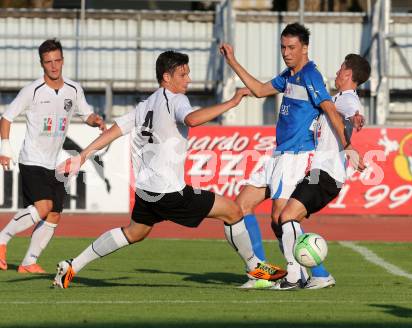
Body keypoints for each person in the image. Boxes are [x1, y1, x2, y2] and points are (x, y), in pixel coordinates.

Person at [53, 50, 287, 289]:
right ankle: (255, 269)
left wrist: (82, 156)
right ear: (166, 77)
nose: (188, 79)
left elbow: (113, 131)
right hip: (169, 192)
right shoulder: (175, 99)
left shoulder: (144, 105)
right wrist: (232, 102)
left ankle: (73, 265)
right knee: (234, 212)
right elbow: (192, 120)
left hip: (146, 191)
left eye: (188, 73)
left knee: (134, 233)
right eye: (182, 74)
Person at [220, 23, 364, 289]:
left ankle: (300, 274)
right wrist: (233, 62)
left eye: (291, 48)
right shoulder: (289, 75)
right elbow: (261, 90)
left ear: (304, 48)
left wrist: (348, 144)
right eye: (283, 47)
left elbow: (332, 110)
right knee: (239, 208)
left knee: (281, 218)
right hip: (277, 154)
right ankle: (265, 274)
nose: (286, 52)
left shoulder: (311, 75)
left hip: (296, 156)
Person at [0, 39, 106, 273]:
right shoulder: (32, 90)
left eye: (57, 60)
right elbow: (6, 118)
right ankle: (2, 239)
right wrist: (5, 148)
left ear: (62, 60)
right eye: (48, 62)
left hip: (53, 162)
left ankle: (28, 262)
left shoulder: (74, 88)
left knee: (55, 213)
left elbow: (86, 113)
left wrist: (95, 120)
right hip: (31, 159)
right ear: (42, 64)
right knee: (44, 206)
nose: (54, 66)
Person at [273, 54, 370, 289]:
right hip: (318, 173)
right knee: (282, 220)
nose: (336, 73)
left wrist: (355, 118)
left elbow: (351, 111)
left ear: (348, 74)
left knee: (286, 217)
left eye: (340, 68)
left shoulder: (348, 99)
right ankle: (315, 273)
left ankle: (300, 276)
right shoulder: (336, 98)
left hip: (326, 175)